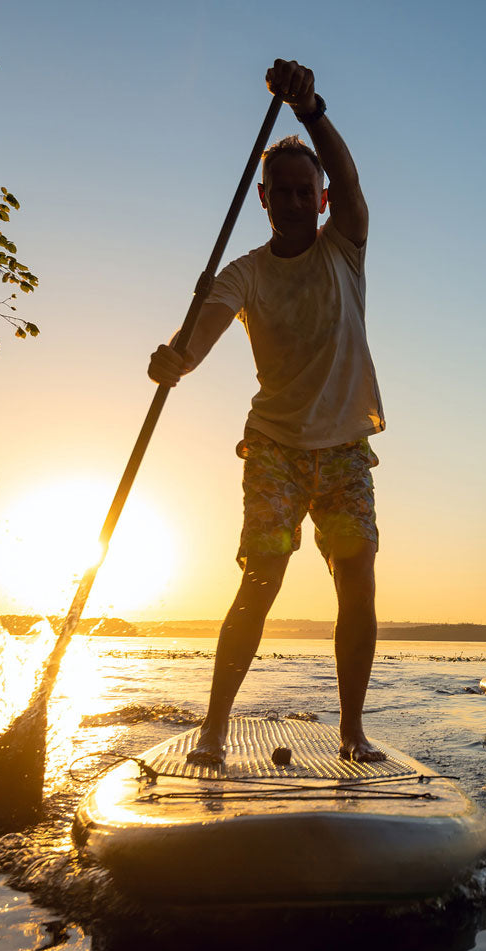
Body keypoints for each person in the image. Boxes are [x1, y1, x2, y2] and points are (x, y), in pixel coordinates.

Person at [148, 59, 385, 764]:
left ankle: (351, 731)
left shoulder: (346, 245)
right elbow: (198, 338)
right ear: (262, 197)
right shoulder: (244, 272)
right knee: (262, 578)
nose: (290, 199)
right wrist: (175, 359)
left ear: (319, 199)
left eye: (302, 190)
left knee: (358, 580)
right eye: (278, 191)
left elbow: (350, 180)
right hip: (276, 447)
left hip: (344, 447)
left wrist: (310, 111)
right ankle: (216, 731)